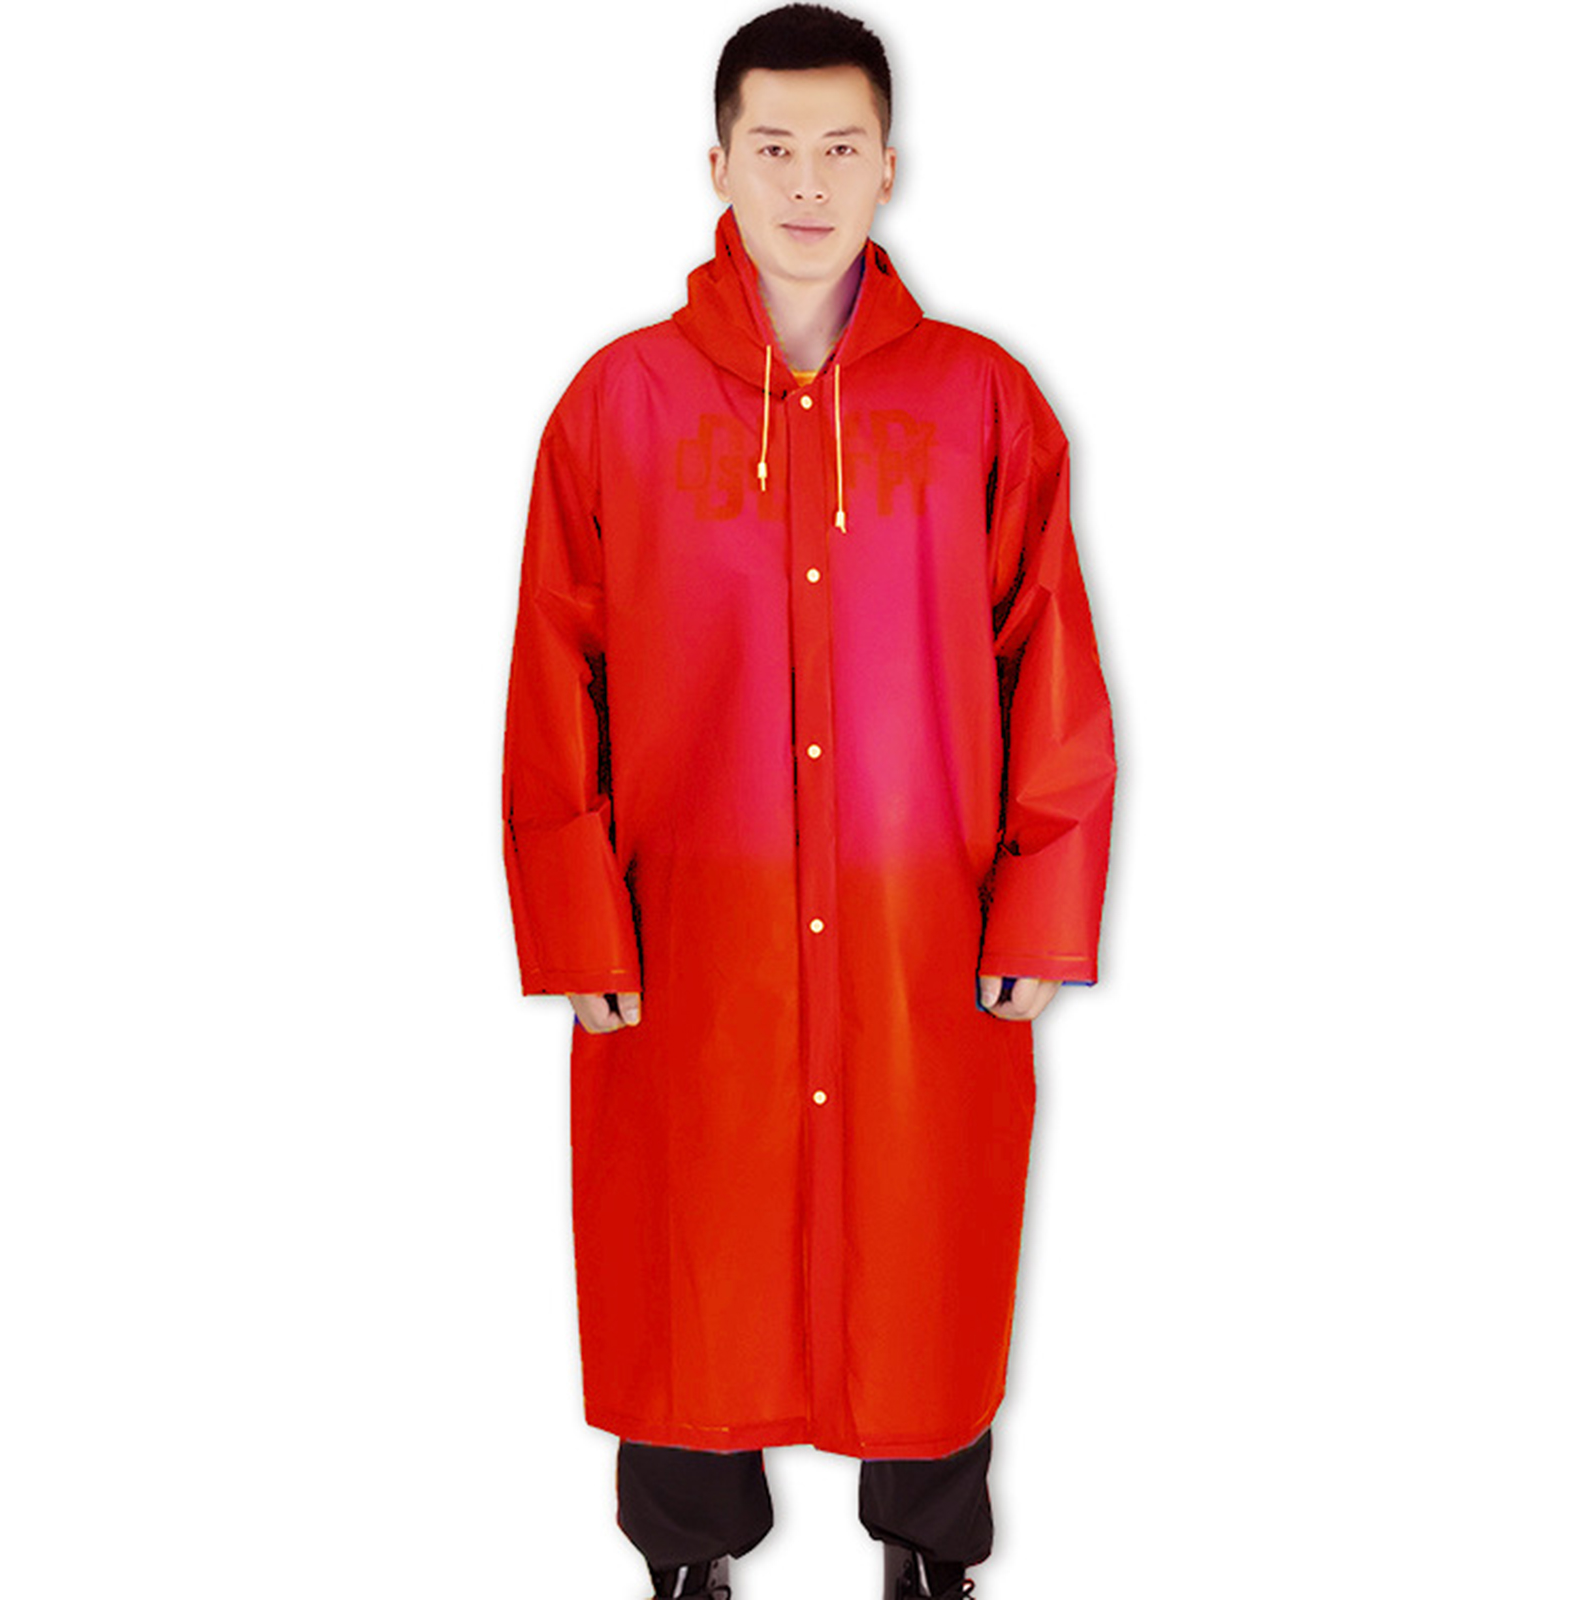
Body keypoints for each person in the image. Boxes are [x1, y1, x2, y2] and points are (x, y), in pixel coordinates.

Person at [500, 7, 1117, 1597]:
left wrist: (1042, 902)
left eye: (841, 147)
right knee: (688, 1228)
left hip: (923, 920)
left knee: (925, 1227)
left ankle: (930, 1550)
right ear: (716, 164)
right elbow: (555, 673)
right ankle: (685, 1554)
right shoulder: (617, 407)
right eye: (772, 146)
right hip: (693, 928)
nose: (807, 181)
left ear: (889, 167)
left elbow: (1048, 655)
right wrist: (576, 923)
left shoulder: (982, 403)